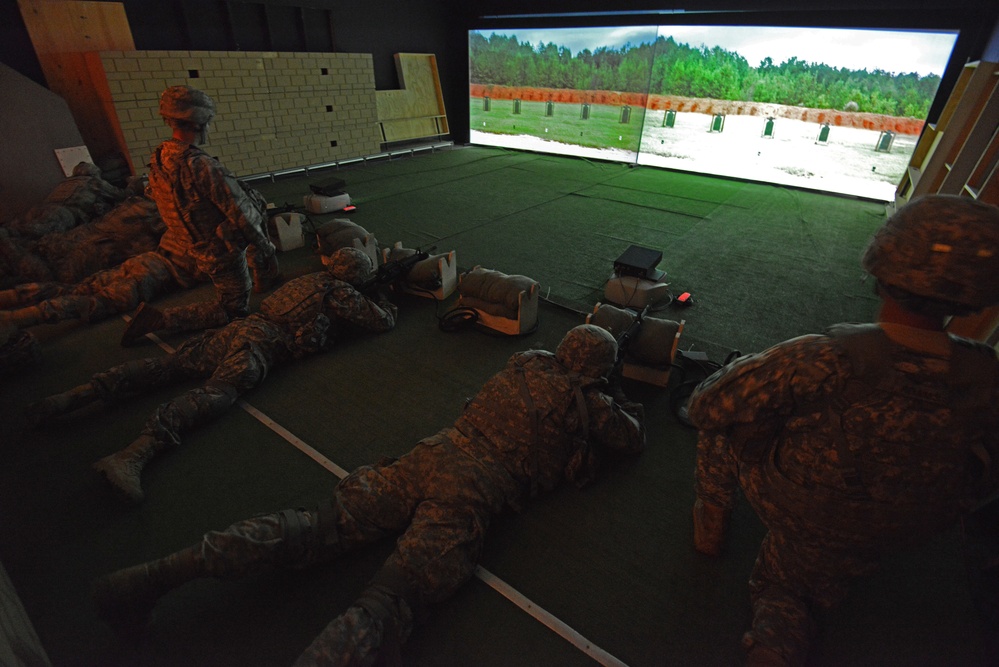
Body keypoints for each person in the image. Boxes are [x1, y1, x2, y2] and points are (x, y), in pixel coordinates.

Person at [90, 323, 645, 665]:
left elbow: (551, 368)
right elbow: (631, 439)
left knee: (310, 526)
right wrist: (605, 393)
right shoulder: (589, 407)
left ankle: (149, 577)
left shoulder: (526, 363)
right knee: (391, 599)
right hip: (470, 491)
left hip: (427, 455)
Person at [687, 194, 999, 666]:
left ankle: (713, 518)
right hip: (909, 529)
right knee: (833, 571)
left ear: (882, 269)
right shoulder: (986, 374)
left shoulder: (824, 356)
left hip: (805, 514)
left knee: (726, 425)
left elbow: (706, 407)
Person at [28, 248, 397, 504]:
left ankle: (76, 395)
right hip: (262, 345)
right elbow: (381, 322)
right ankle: (134, 454)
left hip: (243, 327)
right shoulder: (340, 292)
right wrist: (386, 300)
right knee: (217, 394)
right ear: (356, 277)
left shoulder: (312, 279)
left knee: (170, 366)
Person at [120, 85, 280, 346]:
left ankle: (257, 280)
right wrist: (266, 246)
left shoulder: (161, 155)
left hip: (194, 244)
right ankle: (161, 320)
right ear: (201, 121)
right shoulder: (201, 165)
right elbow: (240, 212)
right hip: (219, 248)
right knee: (233, 306)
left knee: (231, 290)